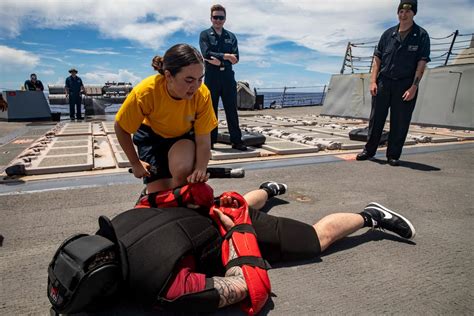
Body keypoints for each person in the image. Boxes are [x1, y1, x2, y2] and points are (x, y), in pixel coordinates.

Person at [116, 180, 416, 312]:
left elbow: (244, 286)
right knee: (237, 203)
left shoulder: (167, 286)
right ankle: (267, 189)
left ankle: (370, 216)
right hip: (204, 210)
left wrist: (237, 235)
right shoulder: (114, 228)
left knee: (315, 240)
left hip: (224, 226)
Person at [114, 44, 218, 195]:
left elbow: (203, 139)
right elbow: (121, 127)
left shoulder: (202, 94)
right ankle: (153, 190)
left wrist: (200, 168)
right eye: (189, 80)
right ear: (169, 76)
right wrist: (135, 163)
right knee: (159, 195)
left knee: (183, 174)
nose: (195, 86)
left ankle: (177, 191)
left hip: (181, 137)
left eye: (200, 79)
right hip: (151, 136)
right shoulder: (146, 92)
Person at [356, 0, 430, 166]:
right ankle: (369, 151)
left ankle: (393, 155)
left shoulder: (421, 35)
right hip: (383, 82)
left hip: (405, 85)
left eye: (408, 12)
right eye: (401, 12)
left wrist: (414, 87)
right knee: (376, 119)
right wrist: (373, 81)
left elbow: (421, 63)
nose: (403, 15)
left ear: (414, 13)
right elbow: (377, 59)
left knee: (400, 120)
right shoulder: (388, 34)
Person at [199, 4, 247, 151]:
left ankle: (236, 141)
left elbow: (236, 58)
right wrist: (226, 56)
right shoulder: (205, 35)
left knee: (231, 110)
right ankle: (211, 141)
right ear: (211, 18)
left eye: (221, 17)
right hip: (212, 77)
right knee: (211, 111)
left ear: (225, 19)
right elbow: (206, 54)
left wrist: (220, 60)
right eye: (215, 17)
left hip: (227, 77)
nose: (218, 20)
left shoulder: (231, 36)